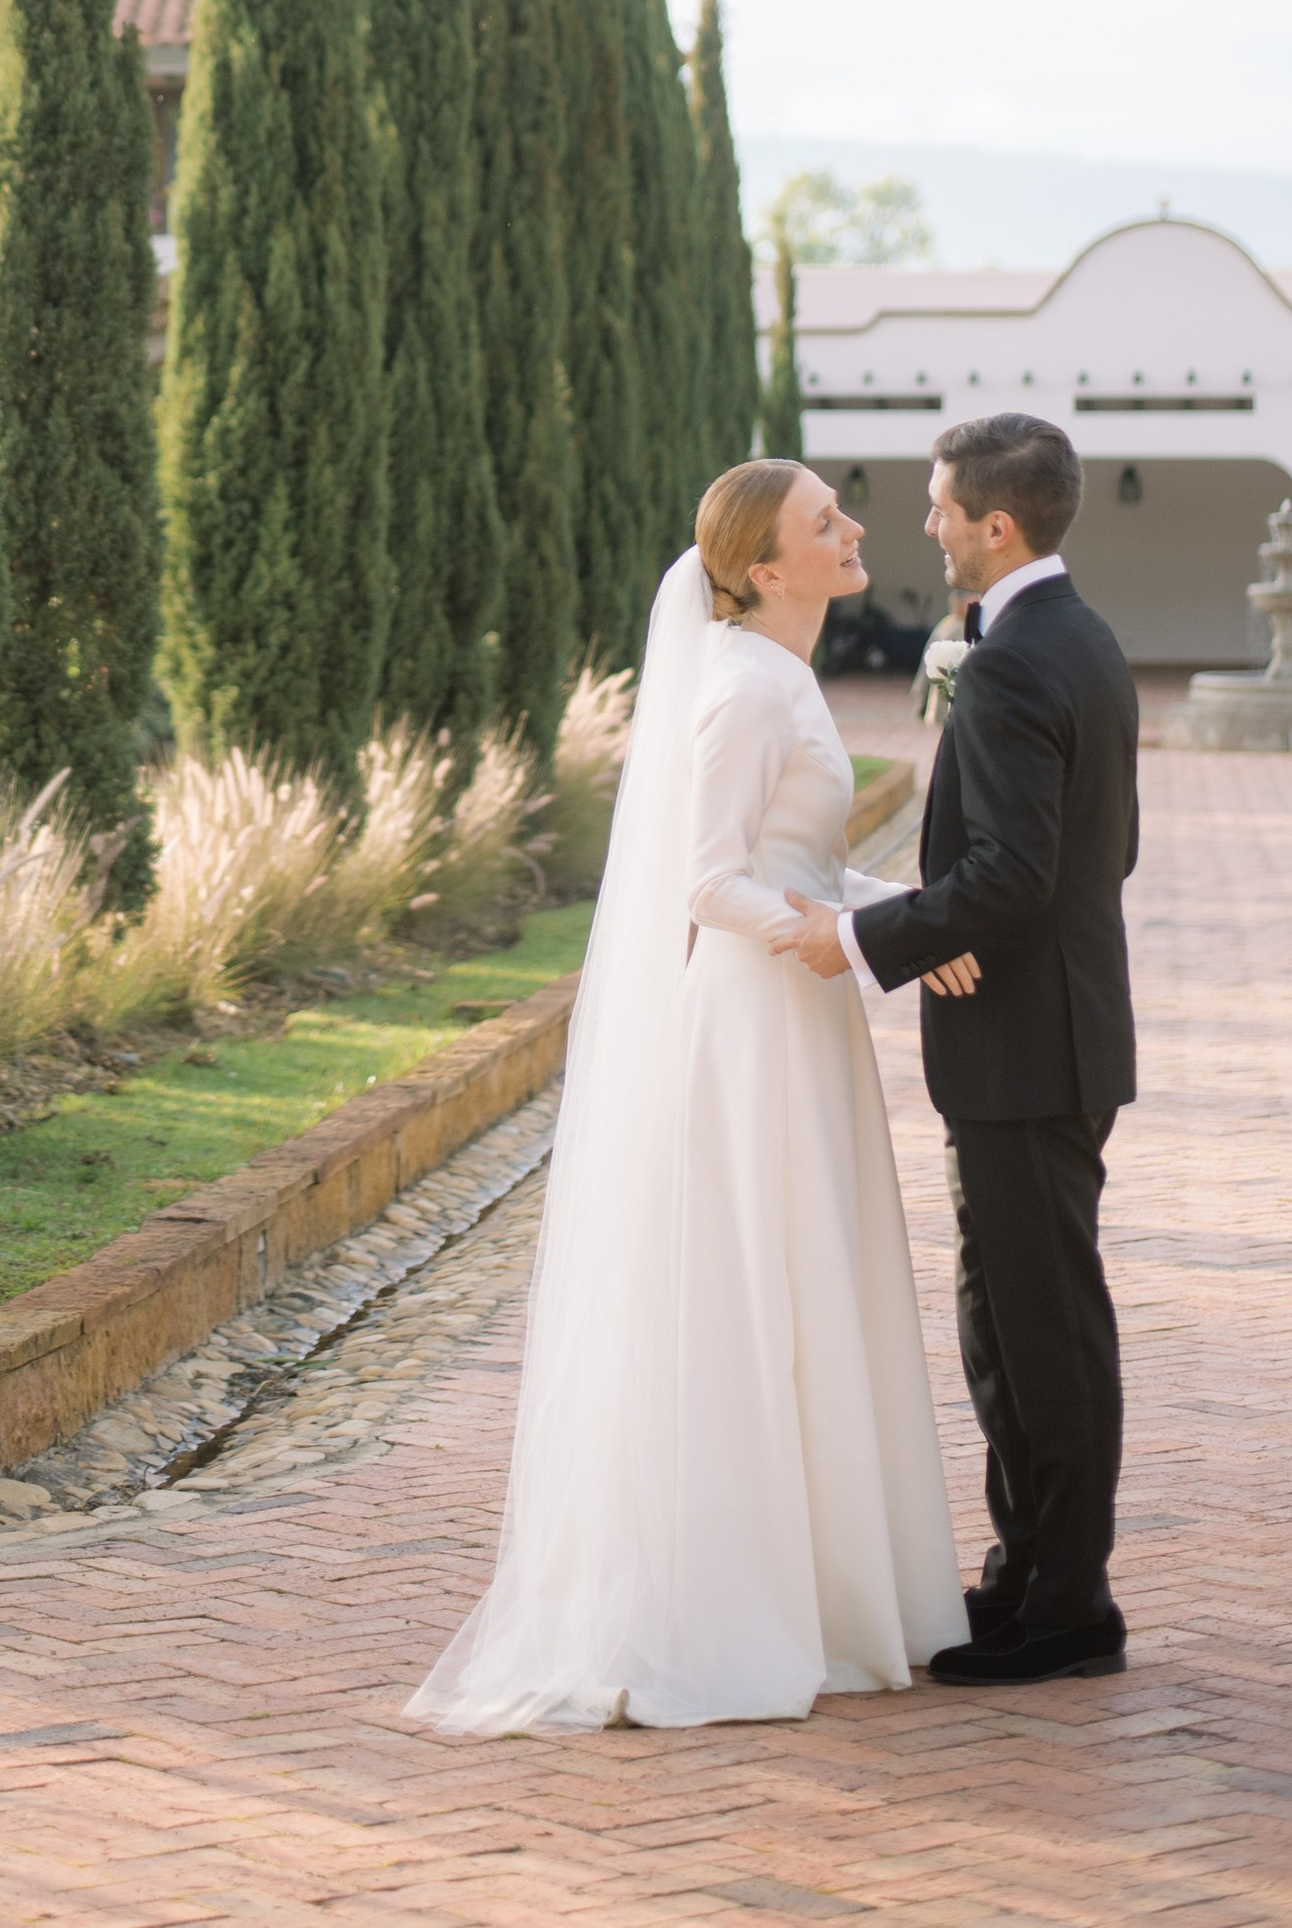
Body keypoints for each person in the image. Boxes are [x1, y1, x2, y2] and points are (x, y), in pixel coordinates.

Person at [408, 461, 970, 1734]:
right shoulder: (742, 687)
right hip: (757, 1015)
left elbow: (799, 862)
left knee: (809, 1275)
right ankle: (736, 1608)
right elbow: (708, 881)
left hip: (802, 1003)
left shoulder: (782, 672)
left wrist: (896, 920)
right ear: (764, 567)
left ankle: (831, 1591)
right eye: (823, 521)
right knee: (757, 1280)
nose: (852, 527)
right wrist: (837, 934)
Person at [776, 412, 1138, 1689]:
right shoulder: (1082, 638)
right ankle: (1020, 1574)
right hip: (1054, 1032)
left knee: (1043, 1333)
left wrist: (862, 936)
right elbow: (1104, 850)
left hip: (1027, 1048)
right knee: (1006, 1320)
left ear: (997, 522)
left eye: (939, 506)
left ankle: (1071, 1605)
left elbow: (1013, 872)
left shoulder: (1011, 662)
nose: (925, 524)